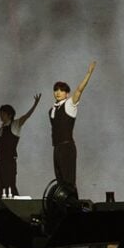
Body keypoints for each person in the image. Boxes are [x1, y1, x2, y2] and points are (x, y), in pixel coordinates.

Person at [48, 61, 96, 194]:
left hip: (67, 147)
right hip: (57, 148)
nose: (58, 92)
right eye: (56, 90)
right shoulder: (52, 110)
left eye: (61, 90)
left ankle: (73, 204)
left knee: (68, 182)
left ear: (67, 94)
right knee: (60, 183)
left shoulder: (69, 105)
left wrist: (89, 73)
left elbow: (79, 90)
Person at [0, 95, 40, 198]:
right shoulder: (1, 129)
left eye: (3, 113)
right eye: (0, 113)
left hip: (9, 162)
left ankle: (18, 206)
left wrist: (35, 105)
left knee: (10, 187)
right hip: (0, 162)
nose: (0, 115)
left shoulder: (15, 125)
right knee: (1, 188)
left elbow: (26, 116)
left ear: (9, 115)